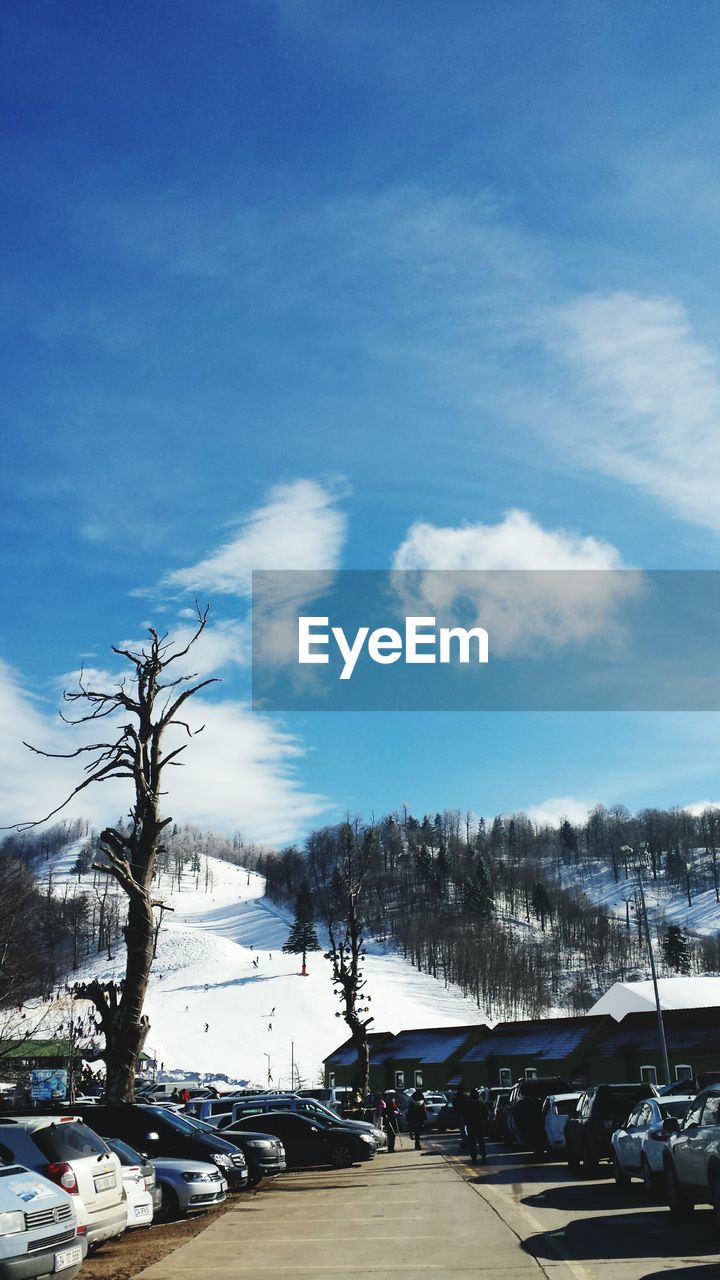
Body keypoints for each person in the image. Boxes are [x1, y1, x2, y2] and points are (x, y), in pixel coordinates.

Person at [466, 1087, 488, 1164]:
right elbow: (485, 1114)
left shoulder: (468, 1104)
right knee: (481, 1139)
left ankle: (473, 1155)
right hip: (479, 1124)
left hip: (471, 1124)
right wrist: (485, 1121)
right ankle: (483, 1153)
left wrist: (466, 1123)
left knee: (472, 1140)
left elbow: (465, 1115)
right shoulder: (481, 1103)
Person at [454, 1084, 470, 1153]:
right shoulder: (466, 1097)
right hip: (466, 1114)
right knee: (466, 1128)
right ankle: (467, 1141)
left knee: (463, 1129)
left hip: (461, 1114)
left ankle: (465, 1141)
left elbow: (455, 1106)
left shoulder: (457, 1097)